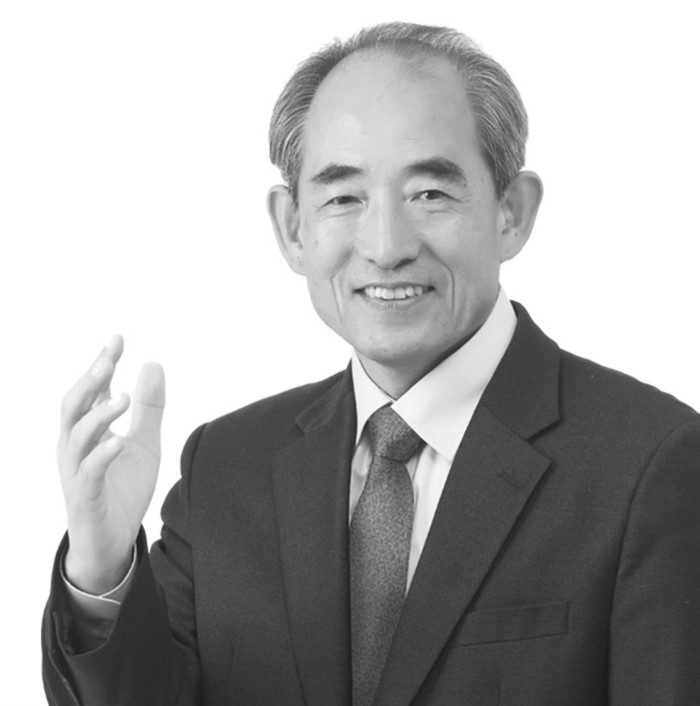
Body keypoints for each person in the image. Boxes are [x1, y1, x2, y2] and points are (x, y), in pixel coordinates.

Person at [43, 22, 700, 706]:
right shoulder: (227, 468)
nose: (386, 246)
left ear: (512, 212)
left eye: (430, 193)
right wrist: (102, 570)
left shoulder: (651, 464)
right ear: (292, 228)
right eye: (343, 197)